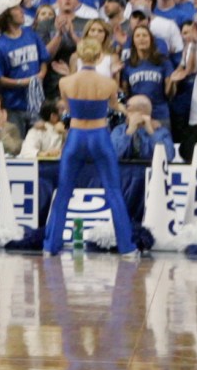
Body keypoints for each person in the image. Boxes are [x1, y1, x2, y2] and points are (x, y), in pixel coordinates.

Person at [41, 22, 137, 254]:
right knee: (113, 190)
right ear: (98, 56)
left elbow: (66, 106)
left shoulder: (65, 82)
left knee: (64, 192)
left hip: (75, 136)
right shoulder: (108, 83)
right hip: (99, 135)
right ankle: (127, 248)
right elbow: (115, 105)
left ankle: (51, 245)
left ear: (80, 56)